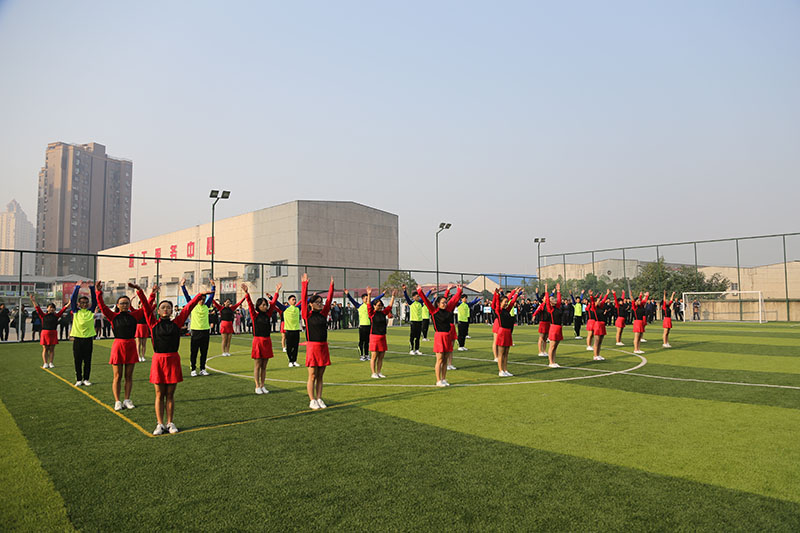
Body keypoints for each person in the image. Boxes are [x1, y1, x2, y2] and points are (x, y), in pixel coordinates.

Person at [139, 284, 207, 435]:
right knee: (159, 394)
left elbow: (188, 308)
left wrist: (199, 295)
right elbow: (146, 307)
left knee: (170, 394)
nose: (165, 309)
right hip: (158, 360)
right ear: (158, 311)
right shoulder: (153, 323)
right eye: (163, 307)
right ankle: (160, 424)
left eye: (168, 307)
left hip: (173, 360)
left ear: (171, 311)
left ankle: (170, 422)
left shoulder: (177, 323)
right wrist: (143, 292)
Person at [96, 281, 146, 411]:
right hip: (118, 346)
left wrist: (140, 291)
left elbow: (146, 306)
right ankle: (117, 401)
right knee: (117, 376)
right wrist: (98, 292)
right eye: (122, 303)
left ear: (129, 305)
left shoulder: (134, 315)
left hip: (131, 346)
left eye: (126, 303)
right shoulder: (113, 316)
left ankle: (127, 399)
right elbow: (102, 306)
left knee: (129, 376)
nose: (124, 305)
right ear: (117, 305)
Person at [417, 283, 462, 387]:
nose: (444, 304)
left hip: (448, 336)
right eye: (442, 303)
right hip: (439, 337)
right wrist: (420, 291)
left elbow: (454, 300)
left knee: (445, 359)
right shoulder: (434, 311)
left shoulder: (449, 309)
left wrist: (459, 291)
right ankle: (438, 380)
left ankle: (444, 379)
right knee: (440, 359)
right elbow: (426, 301)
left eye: (445, 302)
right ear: (437, 304)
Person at [301, 274, 334, 409]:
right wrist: (305, 285)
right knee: (312, 375)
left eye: (321, 302)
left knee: (320, 375)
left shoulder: (323, 314)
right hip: (313, 347)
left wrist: (331, 287)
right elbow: (303, 300)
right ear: (311, 304)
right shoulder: (307, 315)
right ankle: (312, 400)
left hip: (323, 347)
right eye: (317, 302)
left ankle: (319, 398)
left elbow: (329, 300)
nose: (320, 304)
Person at [243, 283, 281, 394]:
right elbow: (250, 304)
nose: (265, 306)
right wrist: (247, 293)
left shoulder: (268, 315)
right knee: (257, 365)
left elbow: (273, 303)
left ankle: (263, 385)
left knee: (264, 366)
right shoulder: (254, 315)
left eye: (266, 305)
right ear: (258, 306)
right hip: (258, 341)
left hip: (267, 341)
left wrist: (277, 291)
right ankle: (257, 386)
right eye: (263, 305)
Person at [181, 278, 216, 377]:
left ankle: (202, 369)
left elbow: (212, 295)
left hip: (205, 331)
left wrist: (213, 286)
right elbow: (186, 295)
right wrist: (182, 286)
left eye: (204, 299)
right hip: (195, 331)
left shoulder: (206, 306)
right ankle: (193, 369)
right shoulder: (193, 305)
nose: (202, 300)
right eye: (201, 298)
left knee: (204, 351)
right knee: (194, 352)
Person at [30, 294, 69, 369]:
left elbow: (63, 310)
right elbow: (37, 308)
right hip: (45, 333)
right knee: (45, 348)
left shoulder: (56, 316)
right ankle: (45, 363)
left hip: (53, 333)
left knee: (52, 349)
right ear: (47, 308)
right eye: (50, 307)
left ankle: (51, 362)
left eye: (53, 308)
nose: (51, 309)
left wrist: (69, 303)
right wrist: (33, 301)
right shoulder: (43, 315)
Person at [69, 282, 97, 386]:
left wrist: (92, 288)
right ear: (79, 304)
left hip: (88, 339)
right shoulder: (76, 311)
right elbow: (72, 300)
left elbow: (95, 300)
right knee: (78, 360)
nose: (84, 304)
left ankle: (86, 379)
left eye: (86, 303)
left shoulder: (91, 311)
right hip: (77, 339)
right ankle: (79, 379)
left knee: (87, 360)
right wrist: (77, 287)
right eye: (82, 303)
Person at [345, 289, 384, 361]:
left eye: (367, 298)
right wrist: (347, 294)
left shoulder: (370, 305)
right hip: (362, 327)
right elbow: (352, 300)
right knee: (361, 341)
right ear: (362, 299)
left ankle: (366, 355)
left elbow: (376, 299)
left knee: (367, 342)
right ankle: (361, 355)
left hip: (369, 326)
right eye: (365, 298)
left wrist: (382, 294)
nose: (367, 299)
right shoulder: (359, 306)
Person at [366, 287, 396, 378]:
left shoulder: (383, 313)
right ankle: (373, 373)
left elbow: (390, 306)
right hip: (374, 337)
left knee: (381, 356)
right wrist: (369, 294)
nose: (380, 307)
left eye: (381, 305)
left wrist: (393, 296)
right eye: (378, 305)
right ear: (374, 306)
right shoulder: (372, 313)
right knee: (374, 356)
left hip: (383, 336)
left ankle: (379, 372)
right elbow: (368, 305)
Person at [492, 286, 521, 376]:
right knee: (501, 353)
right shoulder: (499, 311)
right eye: (504, 302)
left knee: (506, 353)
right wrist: (497, 294)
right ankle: (500, 371)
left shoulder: (507, 310)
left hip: (508, 332)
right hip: (502, 332)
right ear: (501, 302)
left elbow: (512, 302)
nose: (506, 303)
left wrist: (516, 293)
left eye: (506, 302)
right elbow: (497, 304)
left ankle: (505, 370)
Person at [402, 285, 430, 355]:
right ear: (413, 297)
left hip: (420, 321)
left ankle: (417, 349)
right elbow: (406, 297)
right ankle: (411, 349)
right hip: (413, 322)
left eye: (418, 296)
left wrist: (429, 291)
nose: (418, 297)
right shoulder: (411, 303)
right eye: (417, 296)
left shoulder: (420, 302)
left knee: (418, 337)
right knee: (412, 336)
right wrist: (404, 290)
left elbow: (425, 296)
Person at [275, 295, 302, 367]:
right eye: (293, 299)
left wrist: (312, 297)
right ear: (289, 301)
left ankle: (294, 361)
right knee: (289, 347)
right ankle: (290, 361)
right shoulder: (285, 308)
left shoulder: (297, 308)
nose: (294, 301)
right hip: (289, 331)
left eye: (295, 299)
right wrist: (271, 297)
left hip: (296, 330)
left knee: (296, 347)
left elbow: (305, 302)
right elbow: (277, 303)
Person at [545, 284, 565, 368]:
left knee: (555, 346)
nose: (554, 299)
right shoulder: (550, 309)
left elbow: (559, 299)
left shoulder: (557, 307)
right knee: (552, 346)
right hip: (553, 328)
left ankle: (553, 361)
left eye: (554, 298)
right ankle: (550, 362)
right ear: (550, 302)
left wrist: (558, 290)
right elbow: (547, 301)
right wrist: (546, 290)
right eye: (552, 299)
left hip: (559, 328)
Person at [134, 292, 155, 363]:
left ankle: (143, 356)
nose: (142, 305)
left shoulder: (147, 311)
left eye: (143, 304)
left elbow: (153, 306)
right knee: (138, 343)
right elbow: (130, 307)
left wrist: (154, 301)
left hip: (145, 327)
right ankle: (138, 356)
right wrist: (132, 299)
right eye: (141, 304)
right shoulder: (136, 311)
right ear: (139, 305)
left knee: (144, 344)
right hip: (138, 327)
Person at [590, 290, 611, 361]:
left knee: (600, 341)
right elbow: (592, 302)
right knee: (597, 341)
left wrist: (607, 294)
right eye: (598, 301)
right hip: (597, 324)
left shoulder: (600, 307)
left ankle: (598, 354)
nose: (599, 302)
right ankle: (595, 355)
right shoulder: (593, 308)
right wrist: (591, 296)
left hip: (602, 324)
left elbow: (603, 300)